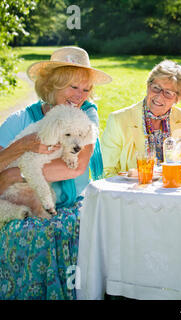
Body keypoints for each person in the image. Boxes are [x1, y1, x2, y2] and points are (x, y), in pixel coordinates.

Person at [0, 47, 111, 299]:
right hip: (21, 204)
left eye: (85, 89)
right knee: (21, 232)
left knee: (63, 230)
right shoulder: (20, 120)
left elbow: (76, 167)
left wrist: (13, 175)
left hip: (71, 205)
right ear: (53, 85)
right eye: (73, 87)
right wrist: (23, 145)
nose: (80, 96)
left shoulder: (87, 114)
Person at [101, 60, 181, 177]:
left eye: (168, 92)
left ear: (177, 98)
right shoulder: (118, 120)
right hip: (134, 191)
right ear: (148, 86)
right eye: (156, 87)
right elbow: (107, 171)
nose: (160, 96)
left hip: (175, 189)